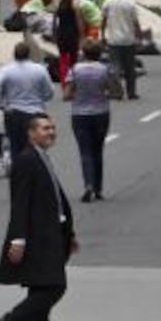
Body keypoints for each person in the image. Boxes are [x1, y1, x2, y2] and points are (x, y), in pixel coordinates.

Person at [0, 113, 80, 321]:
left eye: (52, 128)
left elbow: (53, 200)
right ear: (31, 133)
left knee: (41, 289)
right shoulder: (26, 160)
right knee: (54, 286)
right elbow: (20, 203)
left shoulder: (41, 157)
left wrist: (69, 233)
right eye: (44, 128)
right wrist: (18, 239)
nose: (51, 132)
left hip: (52, 233)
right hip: (36, 237)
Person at [0, 42, 55, 160]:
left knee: (16, 146)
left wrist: (0, 104)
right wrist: (43, 98)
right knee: (37, 146)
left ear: (14, 54)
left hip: (14, 113)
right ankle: (35, 171)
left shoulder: (6, 70)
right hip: (36, 112)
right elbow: (50, 91)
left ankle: (18, 172)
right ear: (29, 54)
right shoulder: (39, 69)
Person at [64, 40, 111, 202]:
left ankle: (88, 184)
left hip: (79, 115)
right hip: (101, 113)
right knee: (98, 150)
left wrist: (76, 94)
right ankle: (98, 189)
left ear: (83, 53)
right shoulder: (105, 69)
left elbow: (66, 95)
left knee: (85, 151)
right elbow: (117, 90)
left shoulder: (75, 70)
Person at [102, 0, 142, 100]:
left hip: (113, 40)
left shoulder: (108, 2)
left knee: (115, 68)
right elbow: (136, 23)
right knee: (130, 68)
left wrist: (102, 35)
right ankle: (131, 92)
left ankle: (117, 92)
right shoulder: (131, 3)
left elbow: (103, 20)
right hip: (128, 39)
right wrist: (139, 37)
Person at [53, 0, 84, 87]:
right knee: (73, 59)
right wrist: (81, 36)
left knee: (63, 59)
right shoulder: (74, 5)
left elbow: (54, 21)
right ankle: (73, 82)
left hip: (61, 34)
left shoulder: (59, 4)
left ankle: (64, 82)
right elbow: (78, 21)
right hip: (72, 34)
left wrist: (54, 34)